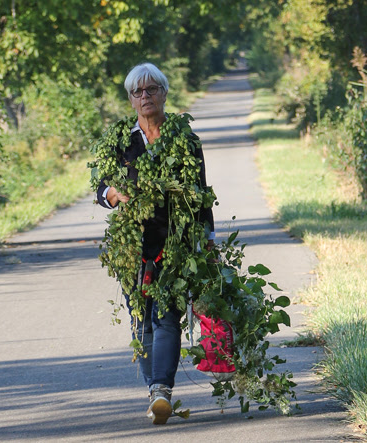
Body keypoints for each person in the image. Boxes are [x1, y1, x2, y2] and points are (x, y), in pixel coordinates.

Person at [95, 63, 216, 425]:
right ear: (131, 99)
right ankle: (155, 391)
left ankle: (161, 390)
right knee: (140, 320)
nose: (145, 97)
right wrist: (113, 193)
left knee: (166, 316)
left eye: (151, 90)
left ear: (164, 92)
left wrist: (207, 241)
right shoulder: (119, 141)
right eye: (138, 92)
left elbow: (201, 195)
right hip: (132, 245)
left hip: (174, 242)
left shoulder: (185, 139)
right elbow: (100, 189)